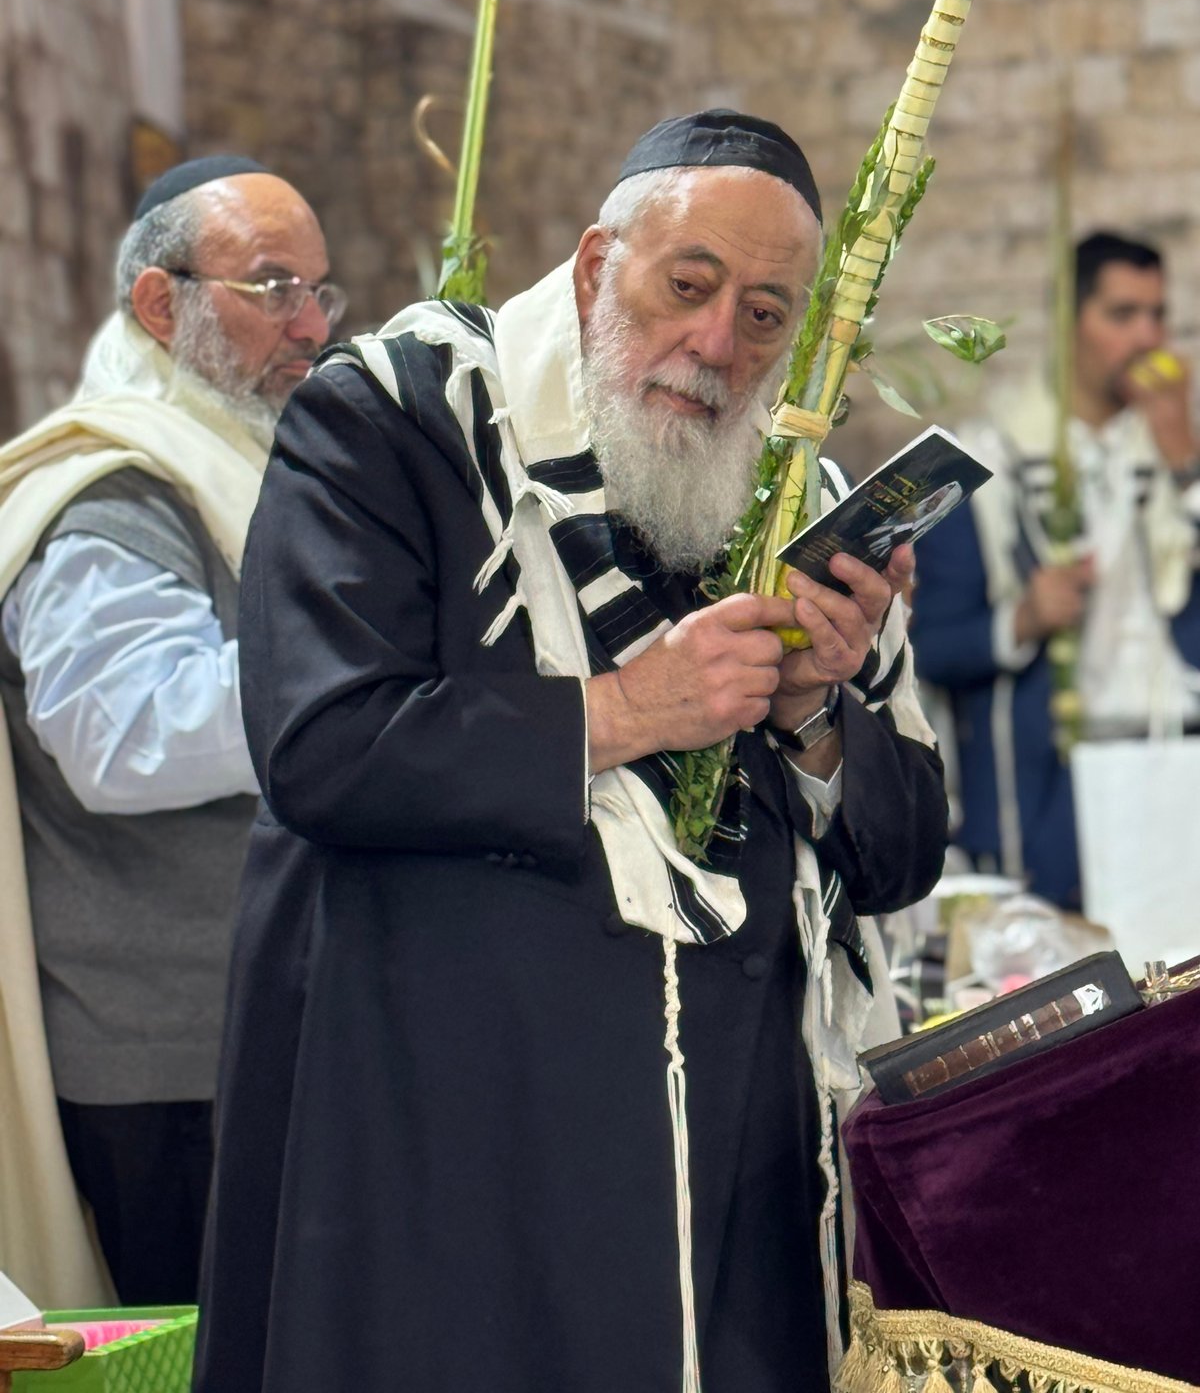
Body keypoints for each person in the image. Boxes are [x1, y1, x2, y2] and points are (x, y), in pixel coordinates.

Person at [194, 110, 947, 1393]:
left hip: (744, 1178)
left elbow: (903, 848)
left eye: (766, 316)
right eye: (688, 285)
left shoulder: (796, 492)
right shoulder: (397, 419)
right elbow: (321, 745)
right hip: (462, 1156)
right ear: (599, 265)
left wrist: (810, 709)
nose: (715, 345)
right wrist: (636, 707)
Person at [0, 156, 344, 1307]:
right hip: (167, 1059)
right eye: (275, 287)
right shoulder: (115, 488)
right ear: (163, 303)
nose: (311, 326)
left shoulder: (244, 457)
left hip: (263, 1026)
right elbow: (124, 732)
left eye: (321, 292)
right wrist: (369, 680)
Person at [911, 231, 1200, 908]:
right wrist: (1023, 618)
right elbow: (930, 649)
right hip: (1045, 793)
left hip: (1177, 772)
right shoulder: (989, 462)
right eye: (1123, 315)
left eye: (1158, 316)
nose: (1147, 338)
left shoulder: (1176, 451)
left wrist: (1185, 459)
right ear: (1071, 322)